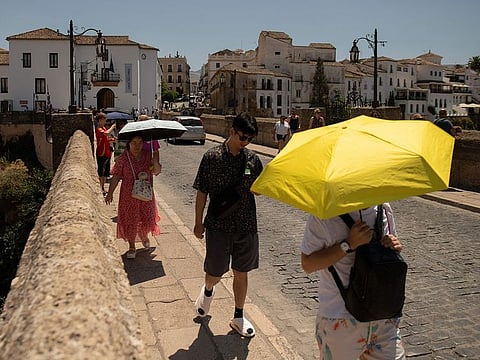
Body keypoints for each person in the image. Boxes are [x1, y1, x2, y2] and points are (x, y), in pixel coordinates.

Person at [300, 204, 405, 359]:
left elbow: (388, 255)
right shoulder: (323, 216)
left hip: (383, 317)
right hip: (340, 320)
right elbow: (308, 264)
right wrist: (348, 244)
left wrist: (394, 246)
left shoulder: (383, 208)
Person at [192, 112, 264, 338]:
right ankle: (208, 289)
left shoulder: (252, 160)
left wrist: (259, 187)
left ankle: (238, 316)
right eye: (243, 137)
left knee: (241, 272)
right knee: (215, 273)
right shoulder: (212, 157)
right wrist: (197, 223)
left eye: (250, 139)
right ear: (232, 131)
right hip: (218, 226)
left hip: (246, 225)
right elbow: (202, 191)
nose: (246, 143)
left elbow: (259, 190)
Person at [105, 135, 161, 259]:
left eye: (140, 142)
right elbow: (116, 176)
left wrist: (156, 160)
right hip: (128, 196)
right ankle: (131, 246)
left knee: (146, 216)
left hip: (145, 193)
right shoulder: (124, 158)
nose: (137, 146)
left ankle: (144, 235)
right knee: (130, 219)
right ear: (128, 144)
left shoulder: (148, 155)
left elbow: (156, 171)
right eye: (134, 142)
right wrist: (110, 193)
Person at [95, 112, 115, 196]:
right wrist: (112, 127)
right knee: (101, 172)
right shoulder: (99, 129)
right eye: (104, 120)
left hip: (106, 153)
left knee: (105, 173)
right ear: (100, 120)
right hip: (102, 153)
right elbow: (105, 134)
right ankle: (101, 187)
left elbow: (106, 138)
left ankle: (102, 188)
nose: (105, 121)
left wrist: (112, 140)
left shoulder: (103, 128)